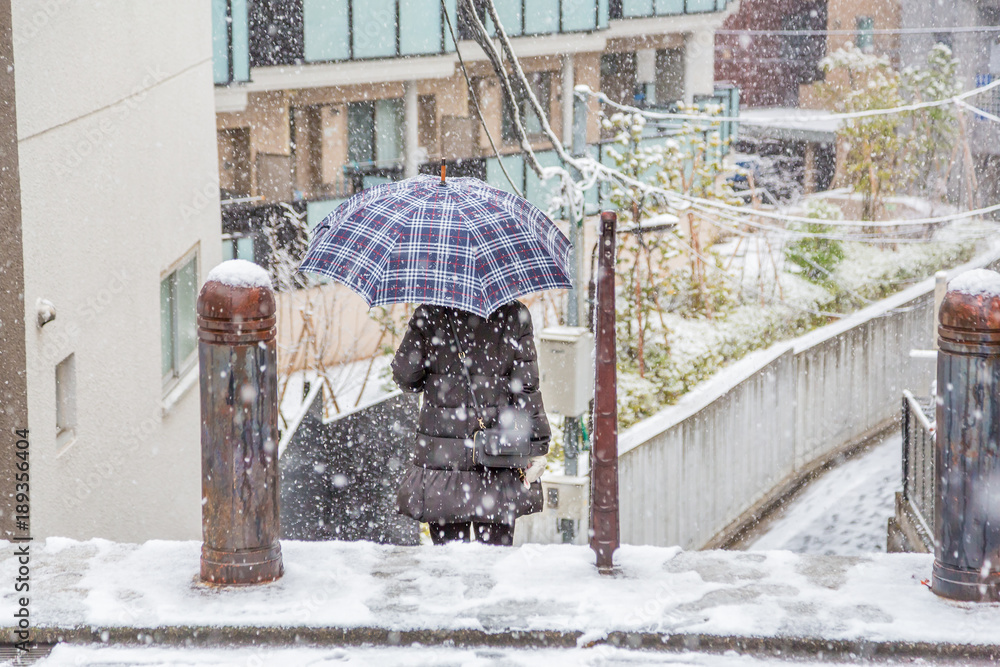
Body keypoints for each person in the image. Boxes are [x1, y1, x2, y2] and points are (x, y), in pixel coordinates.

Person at [392, 300, 550, 546]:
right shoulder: (513, 313)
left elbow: (405, 376)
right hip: (497, 456)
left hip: (442, 463)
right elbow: (527, 389)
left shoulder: (430, 312)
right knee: (495, 563)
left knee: (448, 567)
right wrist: (538, 446)